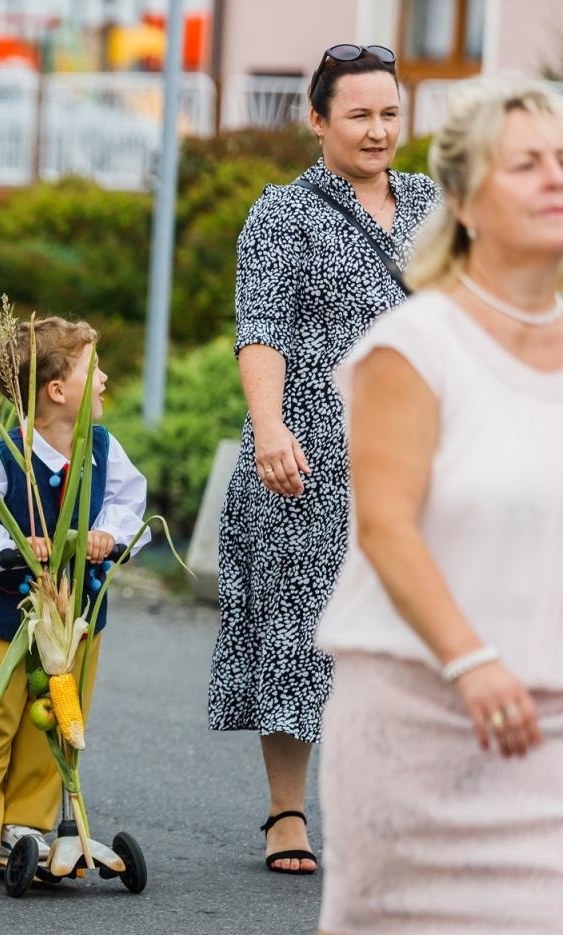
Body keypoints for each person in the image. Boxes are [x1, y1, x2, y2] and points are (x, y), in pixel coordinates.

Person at [280, 80, 563, 935]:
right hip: (422, 697)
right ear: (469, 201)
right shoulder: (416, 342)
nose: (555, 178)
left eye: (562, 160)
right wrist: (470, 657)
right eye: (527, 163)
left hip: (553, 712)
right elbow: (387, 528)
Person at [206, 44, 440, 874]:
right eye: (359, 116)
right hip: (308, 454)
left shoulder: (430, 203)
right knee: (299, 631)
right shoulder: (283, 214)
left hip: (413, 454)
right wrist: (269, 427)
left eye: (389, 115)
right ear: (317, 121)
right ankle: (287, 812)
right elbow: (262, 328)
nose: (378, 132)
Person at [0, 317, 147, 885]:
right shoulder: (6, 456)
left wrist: (109, 533)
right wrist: (10, 547)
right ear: (57, 390)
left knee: (56, 718)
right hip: (9, 616)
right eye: (92, 369)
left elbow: (131, 503)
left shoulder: (102, 450)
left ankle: (27, 822)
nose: (103, 379)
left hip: (77, 618)